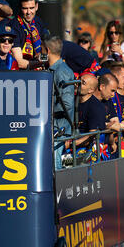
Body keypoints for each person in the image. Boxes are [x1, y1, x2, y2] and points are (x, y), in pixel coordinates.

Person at [44, 36, 75, 170]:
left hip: (59, 129)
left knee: (56, 167)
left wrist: (47, 112)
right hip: (55, 128)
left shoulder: (61, 71)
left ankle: (57, 191)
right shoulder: (54, 69)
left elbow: (67, 104)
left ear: (47, 50)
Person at [8, 0, 49, 69]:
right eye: (25, 8)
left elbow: (46, 48)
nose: (28, 12)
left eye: (31, 8)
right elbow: (18, 62)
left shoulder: (38, 21)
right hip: (22, 73)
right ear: (20, 8)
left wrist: (43, 59)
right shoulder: (14, 26)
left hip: (36, 66)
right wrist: (38, 64)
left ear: (36, 7)